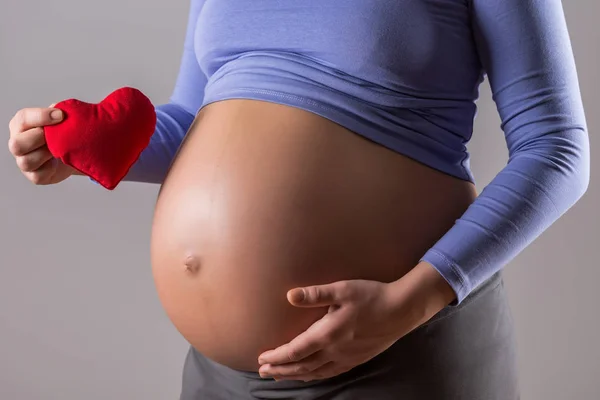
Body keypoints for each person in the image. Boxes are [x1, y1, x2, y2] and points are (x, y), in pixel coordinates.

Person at [7, 0, 589, 399]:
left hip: (398, 350)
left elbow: (556, 149)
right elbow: (197, 121)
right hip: (227, 377)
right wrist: (90, 147)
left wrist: (410, 303)